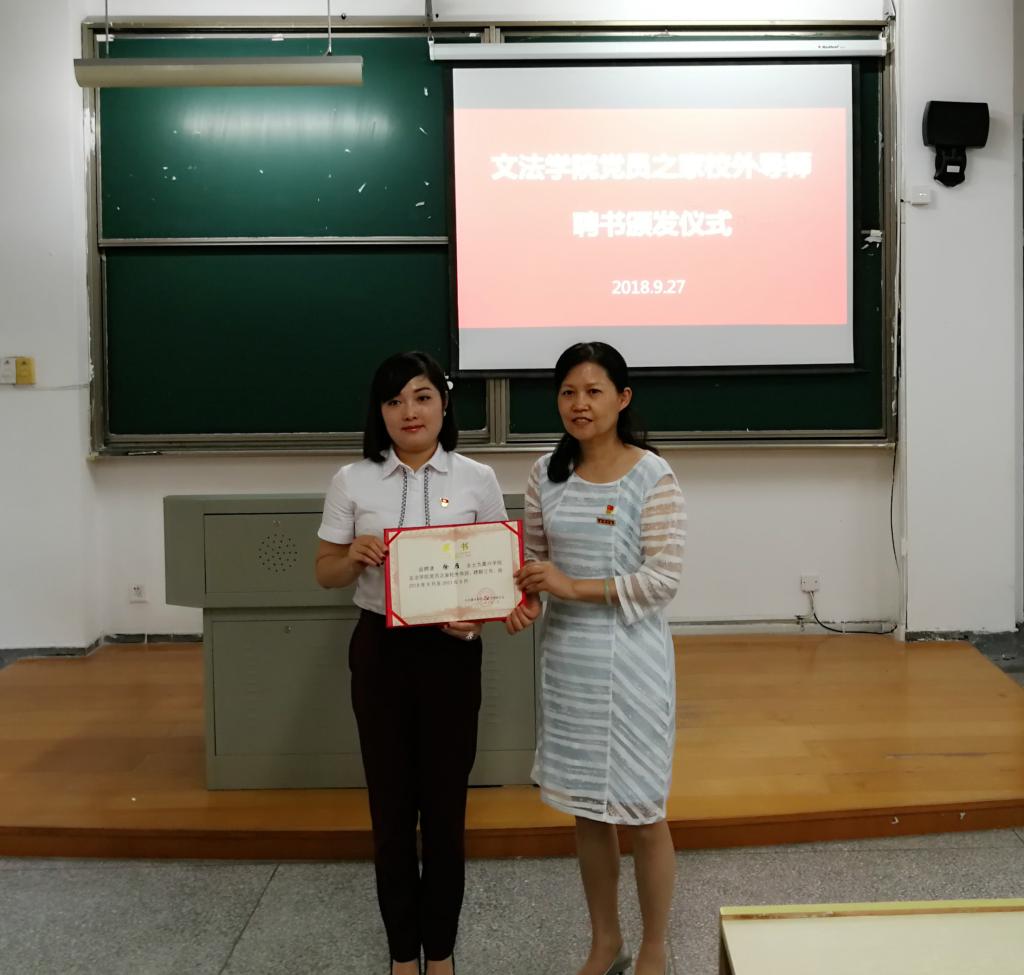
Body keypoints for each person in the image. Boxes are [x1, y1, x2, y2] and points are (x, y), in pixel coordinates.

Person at [315, 351, 507, 975]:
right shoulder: (352, 480)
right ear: (380, 412)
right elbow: (325, 572)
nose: (409, 412)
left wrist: (478, 618)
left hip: (451, 653)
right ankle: (403, 952)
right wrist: (352, 556)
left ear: (444, 404)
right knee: (391, 809)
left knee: (446, 809)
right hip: (381, 652)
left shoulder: (477, 478)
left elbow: (495, 572)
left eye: (422, 396)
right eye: (394, 401)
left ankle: (441, 950)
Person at [506, 342, 686, 975]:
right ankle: (605, 942)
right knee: (588, 811)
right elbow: (533, 566)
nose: (579, 404)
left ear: (622, 398)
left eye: (593, 391)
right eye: (568, 392)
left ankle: (656, 947)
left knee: (644, 812)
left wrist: (571, 587)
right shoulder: (544, 474)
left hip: (634, 668)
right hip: (569, 667)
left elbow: (663, 579)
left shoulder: (652, 476)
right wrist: (524, 602)